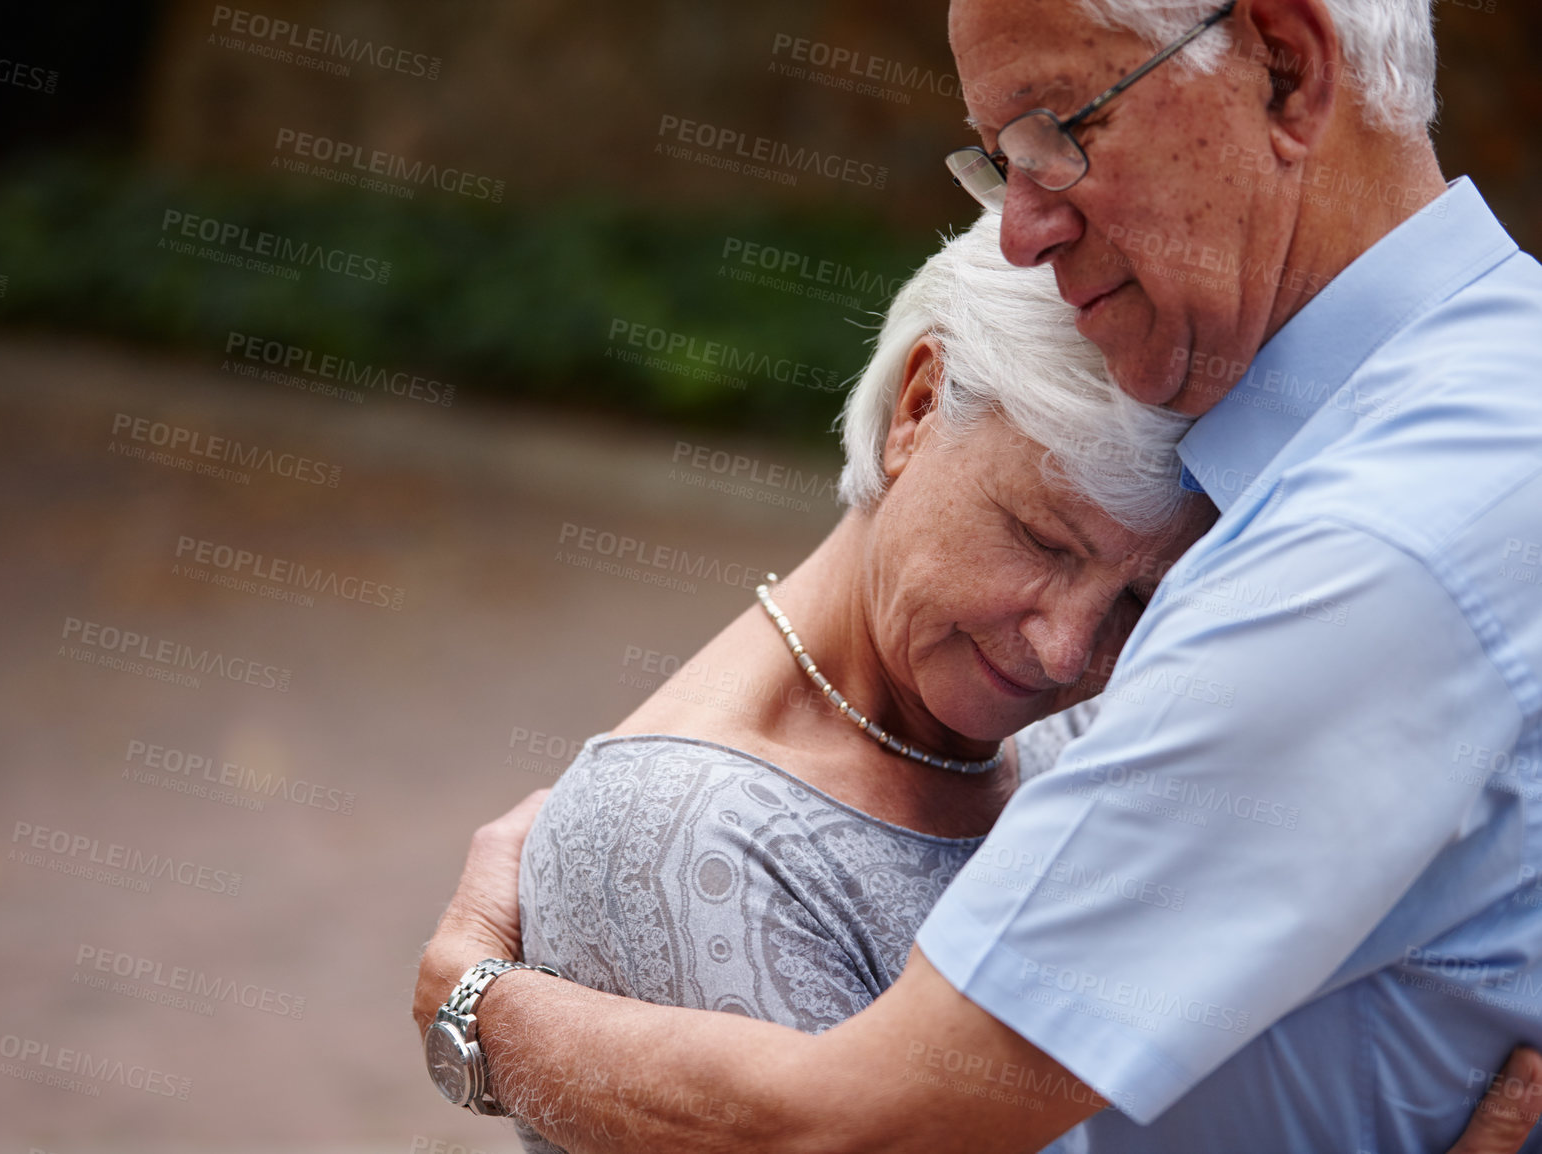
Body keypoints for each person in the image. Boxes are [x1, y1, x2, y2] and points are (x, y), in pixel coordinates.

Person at [415, 0, 1542, 1150]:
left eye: (1060, 128)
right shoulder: (1483, 392)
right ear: (915, 409)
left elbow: (847, 1121)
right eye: (1002, 158)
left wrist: (472, 1010)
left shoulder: (1351, 547)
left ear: (1284, 68)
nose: (1021, 227)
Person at [512, 220, 1210, 1151]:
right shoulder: (677, 828)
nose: (1066, 651)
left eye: (1139, 599)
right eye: (1043, 541)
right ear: (918, 408)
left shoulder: (1106, 725)